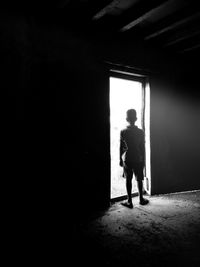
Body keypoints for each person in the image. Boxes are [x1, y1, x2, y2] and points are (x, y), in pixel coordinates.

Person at [119, 109, 149, 208]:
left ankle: (129, 201)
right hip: (138, 158)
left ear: (126, 119)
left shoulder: (123, 131)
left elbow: (121, 147)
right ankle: (141, 198)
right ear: (136, 118)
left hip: (127, 158)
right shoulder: (140, 132)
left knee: (128, 179)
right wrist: (144, 160)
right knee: (139, 179)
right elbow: (142, 147)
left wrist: (120, 159)